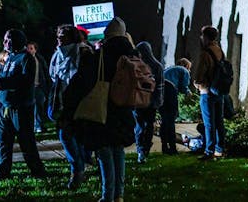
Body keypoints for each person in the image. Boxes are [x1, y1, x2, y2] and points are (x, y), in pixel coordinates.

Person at [66, 17, 135, 202]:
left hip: (104, 107)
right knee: (118, 151)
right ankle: (119, 195)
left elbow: (83, 81)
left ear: (107, 34)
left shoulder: (102, 55)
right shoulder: (132, 53)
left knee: (104, 151)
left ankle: (107, 195)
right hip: (125, 107)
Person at [0, 28, 47, 180]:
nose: (4, 42)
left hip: (21, 108)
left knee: (26, 141)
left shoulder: (26, 58)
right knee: (4, 142)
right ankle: (3, 172)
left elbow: (26, 80)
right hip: (6, 107)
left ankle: (37, 171)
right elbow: (4, 76)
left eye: (8, 39)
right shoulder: (10, 58)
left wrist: (4, 83)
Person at [49, 24, 91, 190]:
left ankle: (78, 169)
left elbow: (87, 79)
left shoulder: (83, 52)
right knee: (66, 135)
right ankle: (80, 166)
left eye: (63, 35)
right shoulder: (57, 55)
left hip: (79, 101)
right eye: (58, 35)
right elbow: (54, 76)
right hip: (63, 101)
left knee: (73, 135)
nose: (59, 38)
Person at [192, 25, 226, 160]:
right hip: (219, 90)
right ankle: (220, 149)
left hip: (207, 91)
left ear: (205, 37)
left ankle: (209, 151)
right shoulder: (220, 51)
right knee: (219, 121)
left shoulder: (205, 53)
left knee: (208, 123)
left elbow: (199, 74)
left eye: (202, 36)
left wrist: (196, 83)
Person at [132, 41, 164, 163]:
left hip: (138, 101)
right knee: (149, 125)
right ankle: (145, 149)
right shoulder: (158, 66)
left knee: (139, 126)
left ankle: (140, 150)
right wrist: (158, 101)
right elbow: (160, 86)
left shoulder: (136, 65)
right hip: (151, 102)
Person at [160, 58, 190, 154]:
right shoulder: (184, 70)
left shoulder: (169, 69)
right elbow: (184, 87)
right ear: (186, 66)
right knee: (171, 120)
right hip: (170, 91)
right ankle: (172, 147)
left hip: (160, 91)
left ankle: (164, 146)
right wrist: (188, 93)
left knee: (164, 120)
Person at [25, 41, 50, 133]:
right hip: (28, 88)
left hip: (39, 86)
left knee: (39, 107)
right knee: (29, 108)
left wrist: (46, 85)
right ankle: (30, 126)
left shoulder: (39, 59)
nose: (29, 50)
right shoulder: (24, 59)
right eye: (28, 48)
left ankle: (39, 125)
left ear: (35, 50)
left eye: (31, 48)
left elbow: (45, 72)